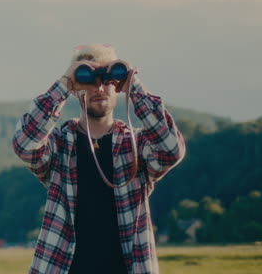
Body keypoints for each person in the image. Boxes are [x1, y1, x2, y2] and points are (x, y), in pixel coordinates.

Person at [12, 44, 186, 274]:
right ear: (76, 89)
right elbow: (24, 143)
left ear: (117, 87)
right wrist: (64, 83)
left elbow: (172, 149)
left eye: (107, 80)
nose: (99, 87)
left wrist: (134, 86)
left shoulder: (137, 146)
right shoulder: (60, 145)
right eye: (89, 80)